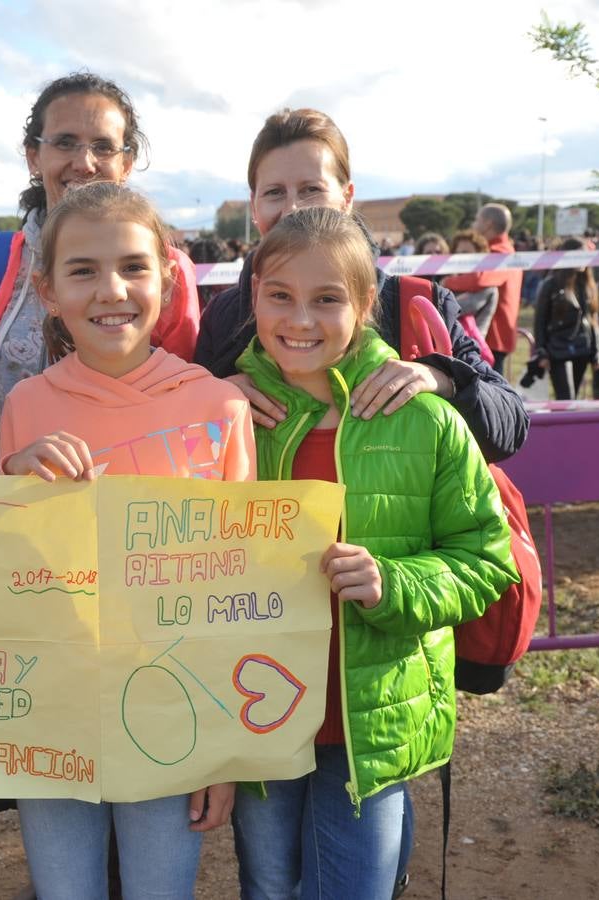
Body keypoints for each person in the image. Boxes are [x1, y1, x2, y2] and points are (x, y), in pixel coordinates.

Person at [235, 206, 516, 899]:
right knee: (269, 889)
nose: (301, 321)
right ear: (254, 299)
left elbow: (485, 560)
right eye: (281, 297)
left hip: (372, 717)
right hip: (256, 713)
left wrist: (392, 582)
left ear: (364, 305)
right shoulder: (223, 416)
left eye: (327, 299)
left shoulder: (425, 421)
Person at [0, 182, 251, 899]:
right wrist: (10, 479)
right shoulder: (25, 405)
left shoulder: (219, 405)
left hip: (174, 715)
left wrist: (224, 749)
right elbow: (2, 570)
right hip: (54, 713)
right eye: (83, 270)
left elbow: (236, 586)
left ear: (168, 279)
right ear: (46, 291)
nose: (112, 290)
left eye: (134, 267)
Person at [194, 108, 527, 465]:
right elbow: (187, 449)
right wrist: (209, 400)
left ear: (347, 197)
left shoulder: (414, 305)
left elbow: (509, 428)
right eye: (275, 192)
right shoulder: (226, 316)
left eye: (311, 189)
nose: (292, 209)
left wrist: (444, 379)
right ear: (254, 207)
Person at [0, 72, 202, 407]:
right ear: (34, 156)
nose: (85, 163)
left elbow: (187, 393)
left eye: (103, 147)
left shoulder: (164, 267)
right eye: (65, 143)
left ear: (127, 163)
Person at [443, 203, 523, 371]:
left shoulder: (500, 253)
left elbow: (479, 279)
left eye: (476, 220)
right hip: (491, 334)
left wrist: (446, 283)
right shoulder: (507, 250)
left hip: (491, 337)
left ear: (488, 224)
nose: (473, 225)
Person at [533, 239, 599, 400]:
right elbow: (540, 320)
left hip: (582, 348)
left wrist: (597, 351)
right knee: (566, 398)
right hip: (558, 348)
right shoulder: (551, 284)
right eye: (579, 255)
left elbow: (592, 318)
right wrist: (541, 351)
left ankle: (571, 426)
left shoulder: (587, 284)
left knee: (574, 398)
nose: (583, 260)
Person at [447, 228, 500, 337]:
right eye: (458, 253)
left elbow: (456, 309)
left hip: (471, 347)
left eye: (466, 253)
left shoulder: (487, 288)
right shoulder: (448, 280)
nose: (461, 257)